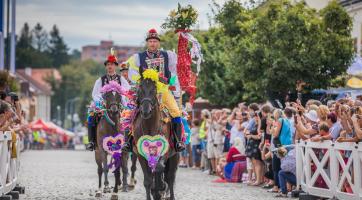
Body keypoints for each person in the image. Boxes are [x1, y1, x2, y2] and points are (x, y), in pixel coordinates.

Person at [125, 28, 185, 152]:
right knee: (129, 112)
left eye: (155, 41)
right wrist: (142, 79)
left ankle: (178, 141)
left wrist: (169, 81)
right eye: (150, 41)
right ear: (147, 43)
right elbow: (132, 73)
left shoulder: (168, 55)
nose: (153, 43)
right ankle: (129, 141)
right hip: (146, 91)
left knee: (175, 111)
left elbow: (174, 72)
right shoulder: (138, 57)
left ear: (159, 43)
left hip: (163, 90)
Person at [86, 51, 130, 151]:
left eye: (112, 64)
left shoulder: (121, 79)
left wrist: (122, 101)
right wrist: (100, 102)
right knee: (91, 116)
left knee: (129, 117)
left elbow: (127, 92)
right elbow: (95, 94)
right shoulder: (100, 80)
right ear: (106, 66)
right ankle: (91, 141)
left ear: (115, 66)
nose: (110, 66)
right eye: (108, 64)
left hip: (119, 104)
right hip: (103, 105)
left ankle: (128, 142)